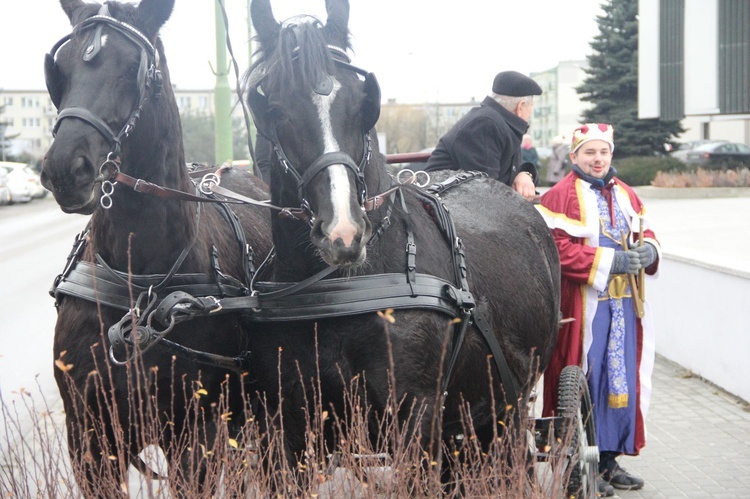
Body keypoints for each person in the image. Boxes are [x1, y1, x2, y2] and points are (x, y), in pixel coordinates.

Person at [536, 124, 661, 495]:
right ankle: (574, 465)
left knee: (617, 383)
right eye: (590, 153)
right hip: (584, 307)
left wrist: (650, 251)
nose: (598, 160)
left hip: (625, 306)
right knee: (582, 382)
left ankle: (608, 461)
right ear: (574, 156)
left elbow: (646, 233)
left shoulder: (627, 195)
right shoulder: (558, 198)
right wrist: (613, 261)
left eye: (603, 153)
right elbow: (556, 250)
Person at [424, 70, 542, 201]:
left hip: (455, 206)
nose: (531, 112)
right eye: (531, 106)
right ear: (521, 107)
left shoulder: (501, 124)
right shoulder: (486, 124)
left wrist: (525, 174)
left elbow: (505, 173)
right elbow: (486, 190)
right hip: (442, 209)